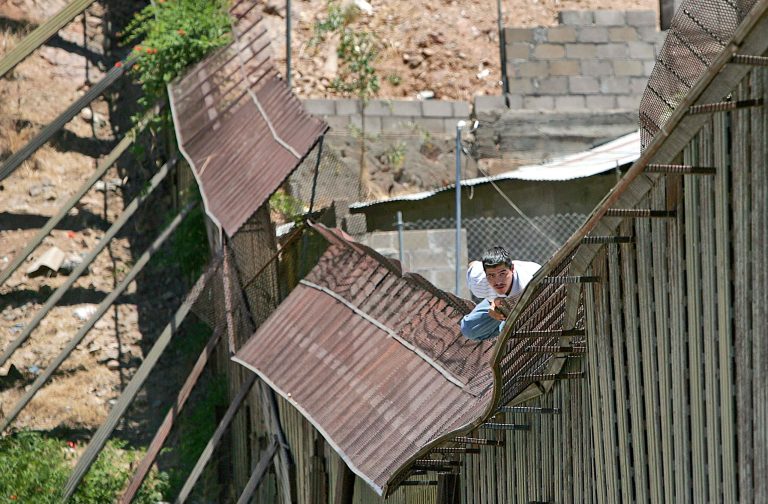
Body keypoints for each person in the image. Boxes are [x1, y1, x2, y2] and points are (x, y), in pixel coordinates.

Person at [460, 247, 541, 341]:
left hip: (528, 302)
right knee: (469, 330)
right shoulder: (478, 282)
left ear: (512, 269)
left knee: (513, 333)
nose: (498, 282)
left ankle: (504, 327)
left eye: (502, 274)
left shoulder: (527, 282)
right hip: (496, 300)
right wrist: (493, 305)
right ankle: (501, 325)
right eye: (491, 275)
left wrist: (499, 305)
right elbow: (472, 265)